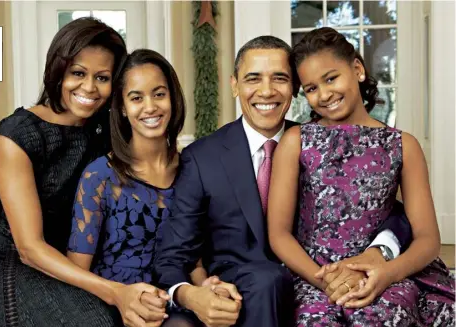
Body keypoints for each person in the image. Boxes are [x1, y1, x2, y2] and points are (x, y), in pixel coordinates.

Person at [153, 35, 413, 327]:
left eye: (279, 78)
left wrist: (380, 249)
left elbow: (386, 208)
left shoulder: (318, 144)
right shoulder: (202, 158)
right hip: (246, 295)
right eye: (253, 79)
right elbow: (173, 255)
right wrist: (192, 294)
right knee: (267, 280)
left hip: (320, 282)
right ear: (234, 85)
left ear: (295, 88)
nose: (266, 91)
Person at [0, 17, 132, 326]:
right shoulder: (17, 134)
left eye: (103, 77)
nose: (89, 87)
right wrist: (114, 292)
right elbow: (29, 247)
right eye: (78, 73)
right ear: (58, 71)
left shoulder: (105, 132)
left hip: (62, 258)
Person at [267, 27, 455, 326]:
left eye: (331, 78)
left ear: (357, 69)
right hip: (314, 274)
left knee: (382, 314)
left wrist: (387, 274)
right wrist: (327, 281)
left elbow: (428, 239)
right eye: (312, 88)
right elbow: (278, 234)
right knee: (314, 319)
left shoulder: (403, 145)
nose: (324, 94)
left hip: (382, 273)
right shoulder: (297, 140)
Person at [66, 48, 211, 327]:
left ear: (173, 98)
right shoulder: (99, 176)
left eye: (159, 94)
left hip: (176, 302)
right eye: (136, 98)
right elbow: (77, 273)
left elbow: (195, 258)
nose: (150, 107)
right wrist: (120, 298)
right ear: (121, 106)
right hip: (114, 306)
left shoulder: (193, 169)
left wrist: (206, 287)